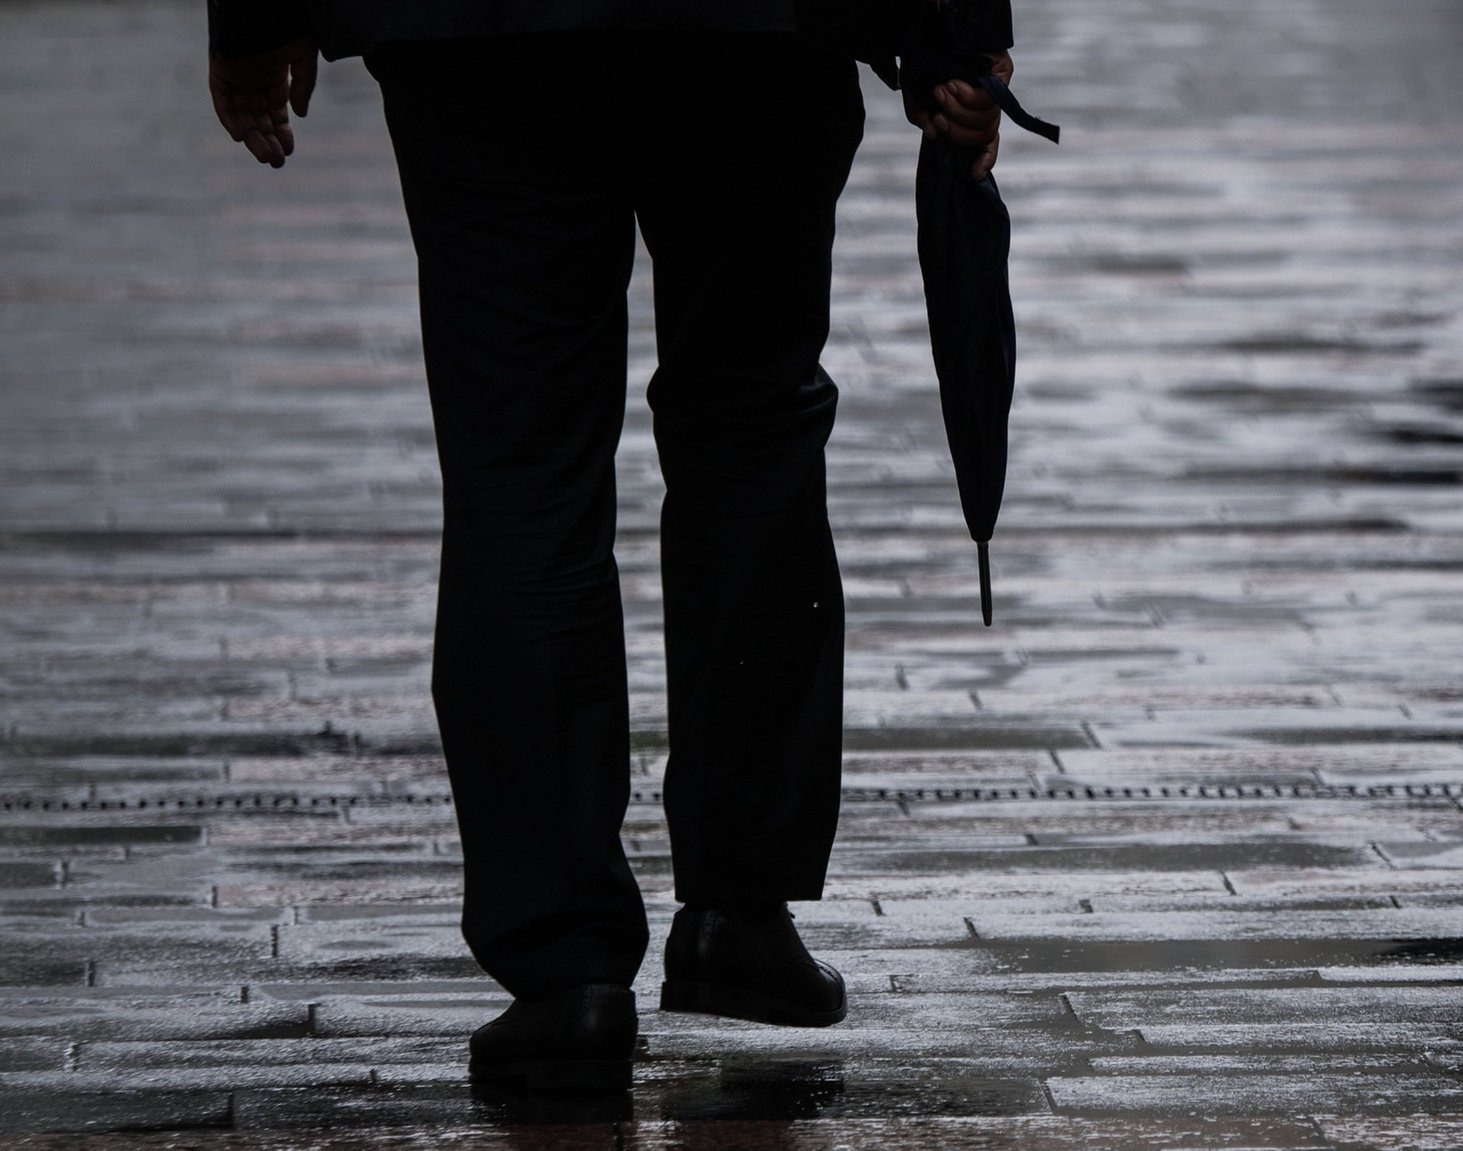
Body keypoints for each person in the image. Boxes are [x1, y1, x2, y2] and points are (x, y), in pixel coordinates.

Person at [206, 0, 1018, 1092]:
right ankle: (739, 905)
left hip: (480, 40)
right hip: (756, 32)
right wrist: (952, 26)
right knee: (752, 428)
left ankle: (563, 965)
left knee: (521, 464)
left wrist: (254, 16)